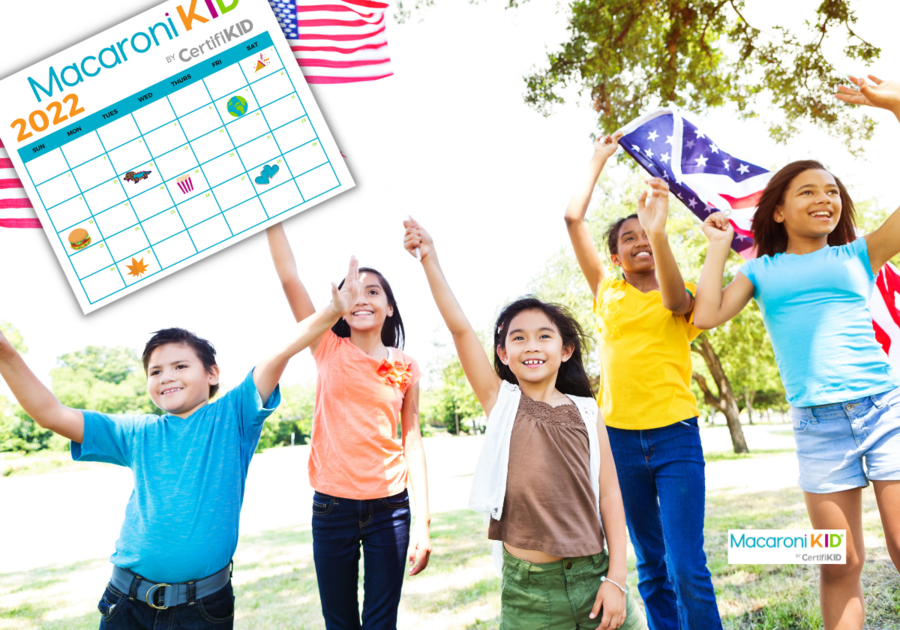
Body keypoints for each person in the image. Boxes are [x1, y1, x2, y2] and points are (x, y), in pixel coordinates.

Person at [0, 258, 367, 629]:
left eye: (180, 366)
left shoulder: (232, 416)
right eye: (155, 371)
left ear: (211, 374)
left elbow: (276, 354)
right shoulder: (138, 432)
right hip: (125, 603)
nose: (166, 377)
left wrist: (332, 311)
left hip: (203, 610)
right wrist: (5, 354)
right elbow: (51, 414)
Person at [693, 75, 900, 630]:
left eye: (832, 191)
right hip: (817, 425)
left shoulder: (858, 254)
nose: (824, 198)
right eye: (808, 191)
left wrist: (896, 105)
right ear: (778, 211)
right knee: (840, 561)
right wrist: (716, 250)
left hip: (884, 411)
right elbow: (705, 316)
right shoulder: (760, 270)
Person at [403, 217, 647, 630]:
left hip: (594, 578)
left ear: (566, 349)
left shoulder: (588, 411)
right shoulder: (501, 401)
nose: (531, 345)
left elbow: (609, 495)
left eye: (543, 336)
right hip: (528, 592)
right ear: (503, 352)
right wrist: (430, 259)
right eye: (518, 338)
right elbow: (460, 329)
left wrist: (617, 579)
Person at [563, 132, 723, 630]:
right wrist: (598, 157)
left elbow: (676, 302)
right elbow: (573, 219)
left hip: (675, 436)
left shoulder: (686, 293)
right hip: (619, 443)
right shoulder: (606, 291)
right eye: (626, 238)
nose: (638, 242)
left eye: (645, 235)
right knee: (650, 565)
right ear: (614, 258)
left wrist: (657, 229)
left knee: (685, 564)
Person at [266, 224, 431, 630]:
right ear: (339, 304)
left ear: (389, 308)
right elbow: (289, 277)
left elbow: (412, 441)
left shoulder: (406, 365)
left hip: (390, 509)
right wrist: (271, 217)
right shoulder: (326, 346)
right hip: (332, 507)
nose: (361, 296)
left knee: (380, 623)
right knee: (339, 623)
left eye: (373, 291)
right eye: (352, 290)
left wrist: (423, 523)